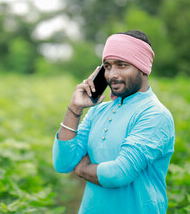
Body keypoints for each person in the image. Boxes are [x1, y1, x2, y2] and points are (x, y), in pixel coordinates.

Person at [52, 30, 175, 214]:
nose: (112, 75)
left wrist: (82, 169)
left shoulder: (155, 115)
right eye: (107, 66)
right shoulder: (98, 111)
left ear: (142, 67)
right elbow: (63, 163)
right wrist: (74, 108)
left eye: (122, 65)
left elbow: (118, 174)